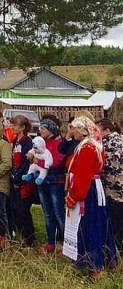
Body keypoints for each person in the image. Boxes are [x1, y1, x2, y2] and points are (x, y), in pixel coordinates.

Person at [63, 116, 117, 278]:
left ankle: (95, 265)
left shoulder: (88, 148)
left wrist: (74, 196)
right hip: (92, 188)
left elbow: (83, 174)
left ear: (82, 130)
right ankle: (102, 260)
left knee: (91, 225)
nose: (73, 133)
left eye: (75, 129)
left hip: (88, 192)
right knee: (97, 224)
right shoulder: (91, 145)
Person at [36, 117, 66, 254]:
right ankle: (50, 242)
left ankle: (65, 243)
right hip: (43, 182)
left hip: (56, 182)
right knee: (47, 214)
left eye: (43, 128)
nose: (40, 130)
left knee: (59, 213)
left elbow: (56, 162)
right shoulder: (42, 143)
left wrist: (38, 161)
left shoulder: (60, 143)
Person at [9, 115, 36, 247]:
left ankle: (29, 238)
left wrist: (19, 179)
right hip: (14, 178)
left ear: (23, 127)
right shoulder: (15, 142)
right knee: (16, 209)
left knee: (23, 210)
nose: (13, 127)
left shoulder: (27, 142)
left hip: (24, 181)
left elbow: (26, 163)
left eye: (15, 125)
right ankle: (21, 234)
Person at [97, 118, 123, 252]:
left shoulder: (105, 145)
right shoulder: (122, 139)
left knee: (114, 223)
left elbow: (102, 167)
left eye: (98, 130)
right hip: (120, 189)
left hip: (112, 189)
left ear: (106, 130)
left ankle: (115, 251)